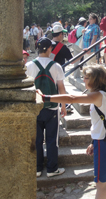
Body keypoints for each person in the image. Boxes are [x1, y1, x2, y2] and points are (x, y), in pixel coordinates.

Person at [37, 65, 106, 199]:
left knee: (101, 184)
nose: (83, 80)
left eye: (86, 78)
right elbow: (105, 121)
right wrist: (93, 142)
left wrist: (45, 98)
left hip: (105, 143)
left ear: (95, 80)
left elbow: (71, 99)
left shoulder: (97, 95)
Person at [25, 37, 67, 178]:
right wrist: (64, 106)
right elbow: (61, 89)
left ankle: (36, 168)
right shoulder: (56, 66)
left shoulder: (29, 66)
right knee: (51, 140)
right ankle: (51, 169)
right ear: (49, 49)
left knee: (36, 139)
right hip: (52, 108)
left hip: (34, 108)